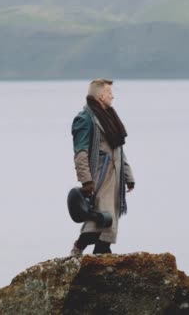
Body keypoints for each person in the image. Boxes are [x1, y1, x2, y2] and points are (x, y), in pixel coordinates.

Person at [70, 78, 135, 255]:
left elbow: (119, 150)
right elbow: (80, 153)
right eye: (109, 93)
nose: (112, 96)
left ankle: (101, 257)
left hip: (115, 179)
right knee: (101, 220)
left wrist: (128, 177)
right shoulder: (85, 119)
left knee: (108, 224)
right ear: (100, 96)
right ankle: (78, 250)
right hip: (99, 178)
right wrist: (86, 181)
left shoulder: (110, 118)